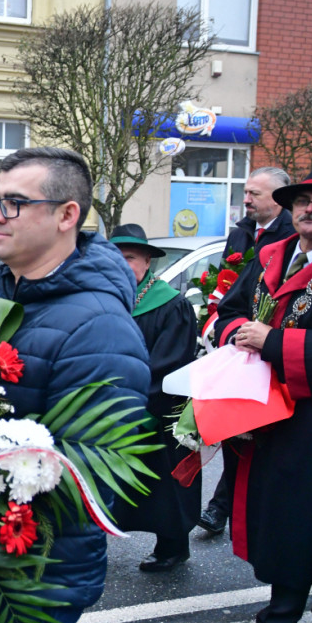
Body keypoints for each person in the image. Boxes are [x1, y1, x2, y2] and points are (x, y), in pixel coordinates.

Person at [0, 147, 150, 623]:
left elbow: (91, 476)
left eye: (13, 202)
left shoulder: (100, 328)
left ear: (67, 215)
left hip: (35, 576)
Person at [214, 168, 312, 623]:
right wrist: (239, 334)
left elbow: (270, 335)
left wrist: (272, 342)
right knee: (282, 516)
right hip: (271, 415)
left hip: (311, 419)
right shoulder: (271, 255)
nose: (309, 209)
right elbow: (230, 312)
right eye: (301, 201)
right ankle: (284, 603)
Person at [199, 166, 294, 535]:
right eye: (246, 191)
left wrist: (268, 339)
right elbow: (230, 291)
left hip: (283, 363)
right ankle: (227, 506)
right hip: (242, 351)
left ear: (279, 199)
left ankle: (228, 506)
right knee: (236, 431)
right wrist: (228, 329)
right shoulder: (240, 233)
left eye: (255, 193)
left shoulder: (290, 240)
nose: (247, 199)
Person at [109, 224, 200, 572]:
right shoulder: (106, 299)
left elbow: (170, 364)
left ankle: (174, 545)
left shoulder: (170, 305)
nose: (121, 263)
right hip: (114, 405)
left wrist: (128, 399)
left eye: (129, 257)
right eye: (114, 256)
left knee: (166, 484)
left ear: (147, 260)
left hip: (158, 408)